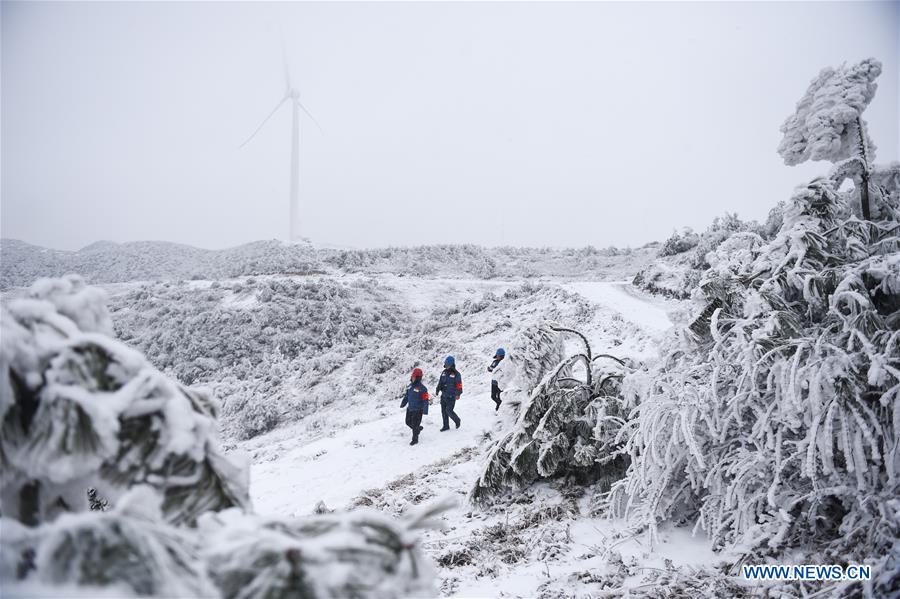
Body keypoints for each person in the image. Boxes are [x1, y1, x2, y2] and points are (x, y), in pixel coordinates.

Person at [400, 367, 429, 445]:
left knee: (415, 424)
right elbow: (407, 396)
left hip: (418, 410)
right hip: (410, 409)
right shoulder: (410, 386)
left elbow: (425, 400)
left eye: (414, 377)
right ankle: (417, 429)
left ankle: (415, 439)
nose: (412, 378)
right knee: (407, 422)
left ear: (418, 378)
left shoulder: (423, 389)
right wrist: (403, 403)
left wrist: (425, 410)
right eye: (412, 377)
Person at [435, 355, 462, 431]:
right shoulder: (444, 372)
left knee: (449, 411)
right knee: (443, 411)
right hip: (443, 395)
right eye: (445, 364)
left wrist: (458, 394)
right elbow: (440, 382)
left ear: (451, 365)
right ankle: (446, 426)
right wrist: (437, 389)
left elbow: (459, 385)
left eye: (447, 364)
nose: (446, 366)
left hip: (451, 396)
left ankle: (457, 420)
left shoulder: (457, 374)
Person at [487, 347, 509, 412]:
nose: (497, 357)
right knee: (493, 396)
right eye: (498, 355)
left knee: (500, 397)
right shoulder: (495, 362)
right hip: (494, 383)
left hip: (501, 383)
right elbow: (491, 369)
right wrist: (489, 369)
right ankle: (500, 404)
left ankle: (499, 409)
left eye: (499, 356)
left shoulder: (505, 363)